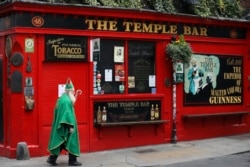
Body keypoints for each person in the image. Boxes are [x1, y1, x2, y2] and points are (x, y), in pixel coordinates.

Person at [47, 78, 82, 166]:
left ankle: (52, 158)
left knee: (61, 141)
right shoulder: (66, 101)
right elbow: (67, 114)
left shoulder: (62, 99)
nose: (74, 93)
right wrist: (71, 126)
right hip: (67, 125)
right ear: (69, 92)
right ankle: (72, 160)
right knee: (72, 141)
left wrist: (77, 94)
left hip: (61, 125)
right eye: (73, 92)